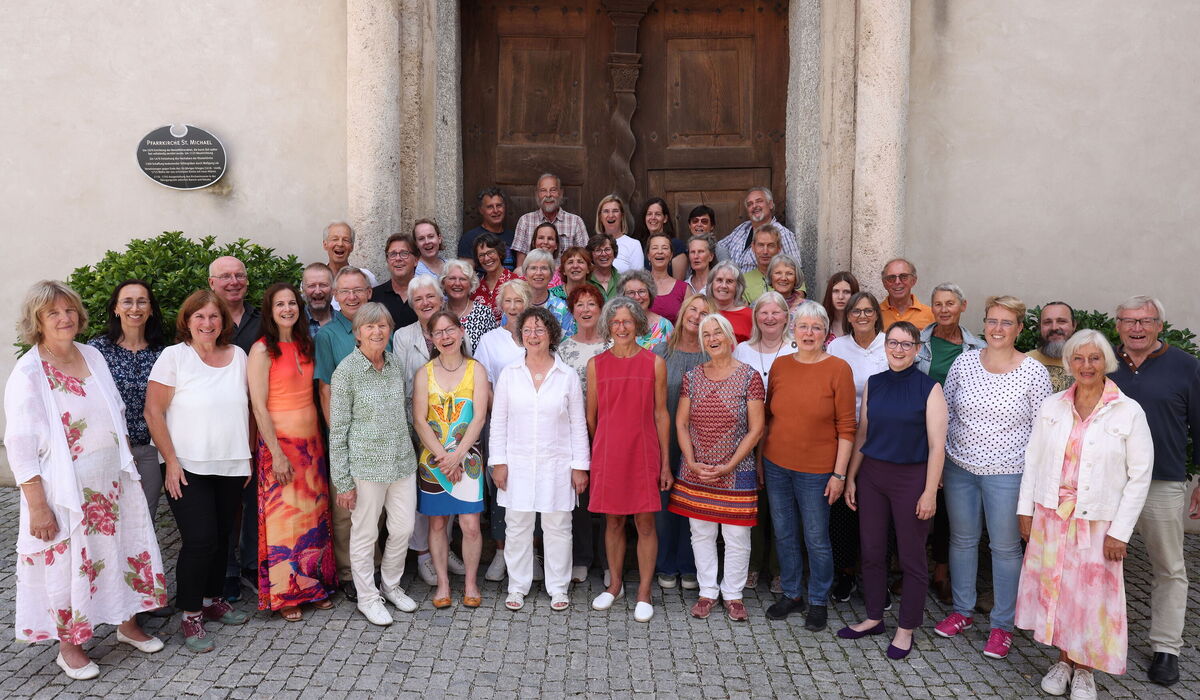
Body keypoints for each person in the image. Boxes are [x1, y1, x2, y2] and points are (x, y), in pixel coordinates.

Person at [7, 281, 166, 678]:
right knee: (72, 566)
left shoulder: (92, 354)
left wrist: (126, 459)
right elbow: (20, 446)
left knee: (121, 550)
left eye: (69, 311)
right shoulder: (29, 372)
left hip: (113, 481)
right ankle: (71, 646)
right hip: (66, 492)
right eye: (53, 313)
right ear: (37, 322)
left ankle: (127, 624)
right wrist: (37, 506)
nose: (64, 318)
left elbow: (113, 409)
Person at [1016, 329, 1153, 697]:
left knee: (1092, 598)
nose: (1086, 365)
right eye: (1078, 358)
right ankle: (1063, 660)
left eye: (1094, 358)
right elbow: (1033, 460)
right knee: (1057, 589)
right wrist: (1024, 510)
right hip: (1051, 516)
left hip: (1098, 521)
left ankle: (1086, 669)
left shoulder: (1128, 410)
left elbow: (1140, 476)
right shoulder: (1053, 405)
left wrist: (1120, 532)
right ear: (1069, 363)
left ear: (1105, 361)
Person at [934, 295, 1052, 660]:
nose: (997, 329)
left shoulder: (1033, 372)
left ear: (1019, 328)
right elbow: (947, 413)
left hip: (1008, 474)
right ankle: (962, 611)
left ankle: (1002, 625)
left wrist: (1033, 487)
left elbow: (1042, 433)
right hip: (960, 468)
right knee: (962, 540)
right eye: (992, 321)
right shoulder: (965, 363)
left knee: (1004, 548)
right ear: (983, 323)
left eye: (1006, 322)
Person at [145, 289, 252, 653]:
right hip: (186, 466)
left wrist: (248, 456)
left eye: (214, 317)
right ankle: (190, 613)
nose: (207, 323)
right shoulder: (174, 356)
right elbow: (153, 413)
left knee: (222, 536)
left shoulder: (238, 355)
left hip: (232, 463)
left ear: (224, 321)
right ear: (187, 321)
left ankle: (212, 598)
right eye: (199, 317)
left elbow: (249, 409)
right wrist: (170, 461)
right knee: (200, 539)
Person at [840, 321, 947, 661]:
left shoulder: (929, 388)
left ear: (918, 349)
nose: (899, 349)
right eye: (893, 343)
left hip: (911, 479)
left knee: (912, 556)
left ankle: (906, 628)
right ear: (885, 347)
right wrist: (851, 477)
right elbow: (862, 434)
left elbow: (937, 446)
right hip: (872, 475)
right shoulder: (874, 383)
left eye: (906, 344)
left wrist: (930, 492)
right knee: (871, 551)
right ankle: (873, 617)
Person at [1109, 295, 1200, 687]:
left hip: (1162, 481)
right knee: (1101, 564)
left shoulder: (1186, 366)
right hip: (1108, 484)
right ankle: (1103, 637)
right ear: (1118, 325)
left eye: (1146, 321)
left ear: (1160, 325)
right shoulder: (1103, 362)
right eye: (1129, 321)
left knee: (1169, 567)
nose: (1137, 328)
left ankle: (1166, 648)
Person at [761, 300, 856, 632]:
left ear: (826, 332)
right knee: (784, 533)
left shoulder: (839, 369)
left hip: (817, 470)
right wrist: (761, 461)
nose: (809, 332)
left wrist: (839, 474)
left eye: (816, 327)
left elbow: (847, 428)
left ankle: (817, 598)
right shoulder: (781, 366)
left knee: (816, 537)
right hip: (776, 464)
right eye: (803, 326)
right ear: (793, 330)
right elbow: (769, 417)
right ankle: (791, 593)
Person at [327, 302, 421, 626]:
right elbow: (337, 431)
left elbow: (406, 413)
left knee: (403, 528)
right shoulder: (346, 373)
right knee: (365, 533)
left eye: (382, 325)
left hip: (401, 463)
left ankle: (391, 585)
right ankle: (367, 597)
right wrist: (343, 482)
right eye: (370, 326)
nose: (377, 332)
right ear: (358, 333)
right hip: (366, 467)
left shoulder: (394, 363)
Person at [246, 283, 336, 622]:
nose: (287, 309)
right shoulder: (261, 350)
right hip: (280, 446)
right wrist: (277, 454)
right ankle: (286, 594)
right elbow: (258, 405)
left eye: (291, 303)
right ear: (269, 311)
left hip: (311, 444)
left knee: (313, 518)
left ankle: (315, 587)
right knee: (285, 520)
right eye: (279, 304)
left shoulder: (305, 344)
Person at [490, 307, 590, 611]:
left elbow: (577, 424)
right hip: (517, 462)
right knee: (517, 525)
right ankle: (517, 585)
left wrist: (580, 467)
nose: (533, 336)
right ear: (521, 336)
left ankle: (558, 587)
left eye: (539, 330)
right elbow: (499, 422)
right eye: (528, 330)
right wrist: (498, 461)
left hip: (556, 463)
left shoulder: (567, 376)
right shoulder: (510, 374)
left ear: (551, 334)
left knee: (558, 525)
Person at [669, 314, 765, 622]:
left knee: (737, 535)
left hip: (737, 470)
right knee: (701, 533)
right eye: (706, 334)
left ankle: (733, 594)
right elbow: (681, 423)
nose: (712, 338)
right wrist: (692, 461)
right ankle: (708, 590)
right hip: (696, 470)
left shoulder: (750, 376)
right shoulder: (693, 376)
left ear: (729, 337)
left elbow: (756, 429)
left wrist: (729, 465)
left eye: (718, 333)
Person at [588, 297, 673, 623]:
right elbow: (592, 417)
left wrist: (665, 462)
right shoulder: (597, 364)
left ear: (638, 324)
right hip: (609, 453)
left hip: (644, 451)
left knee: (645, 522)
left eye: (627, 321)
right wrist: (606, 445)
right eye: (615, 322)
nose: (621, 327)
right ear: (607, 326)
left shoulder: (654, 363)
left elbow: (661, 414)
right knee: (612, 521)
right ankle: (615, 585)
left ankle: (644, 592)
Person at [390, 275, 470, 585]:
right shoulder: (402, 336)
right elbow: (399, 382)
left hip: (452, 428)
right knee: (420, 493)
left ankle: (444, 549)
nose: (426, 303)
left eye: (431, 297)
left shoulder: (453, 328)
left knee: (449, 486)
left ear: (441, 299)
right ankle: (423, 553)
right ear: (412, 304)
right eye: (419, 299)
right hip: (416, 426)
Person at [413, 312, 490, 609]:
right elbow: (419, 421)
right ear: (430, 338)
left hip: (468, 458)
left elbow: (479, 417)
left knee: (470, 525)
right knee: (437, 525)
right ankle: (443, 583)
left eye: (450, 330)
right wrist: (443, 458)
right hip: (433, 461)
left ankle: (471, 583)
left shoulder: (476, 370)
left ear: (460, 332)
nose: (445, 337)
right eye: (438, 333)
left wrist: (457, 456)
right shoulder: (425, 373)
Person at [914, 282, 985, 603]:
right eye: (938, 304)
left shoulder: (976, 348)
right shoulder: (919, 343)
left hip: (958, 437)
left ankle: (941, 573)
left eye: (950, 303)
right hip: (916, 433)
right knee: (911, 501)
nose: (944, 309)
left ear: (963, 306)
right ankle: (909, 570)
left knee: (945, 509)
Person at [314, 266, 382, 601]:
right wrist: (339, 438)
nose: (352, 296)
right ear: (336, 297)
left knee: (374, 506)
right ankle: (348, 572)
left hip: (379, 437)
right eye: (345, 292)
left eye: (358, 290)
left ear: (369, 292)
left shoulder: (383, 328)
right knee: (346, 508)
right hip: (348, 435)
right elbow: (325, 390)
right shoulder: (328, 335)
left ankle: (374, 566)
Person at [651, 293, 717, 593]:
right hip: (665, 439)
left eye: (705, 313)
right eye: (693, 309)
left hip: (701, 442)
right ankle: (665, 564)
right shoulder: (662, 352)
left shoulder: (713, 355)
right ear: (682, 313)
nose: (697, 316)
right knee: (664, 506)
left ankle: (690, 566)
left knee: (693, 506)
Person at [87, 279, 167, 518]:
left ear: (151, 309)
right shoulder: (97, 350)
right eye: (128, 302)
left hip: (150, 450)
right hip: (109, 449)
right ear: (115, 308)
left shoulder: (163, 353)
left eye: (142, 302)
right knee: (109, 517)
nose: (135, 308)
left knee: (145, 516)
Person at [207, 255, 262, 601]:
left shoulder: (261, 318)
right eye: (225, 276)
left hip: (256, 421)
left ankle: (252, 567)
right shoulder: (205, 320)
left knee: (255, 499)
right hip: (218, 426)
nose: (233, 282)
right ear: (212, 283)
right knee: (224, 504)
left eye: (239, 275)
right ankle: (226, 569)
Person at [472, 279, 534, 583]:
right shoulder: (490, 341)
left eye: (519, 301)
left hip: (533, 426)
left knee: (531, 484)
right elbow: (484, 382)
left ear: (527, 304)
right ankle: (500, 550)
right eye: (508, 301)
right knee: (500, 485)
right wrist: (504, 411)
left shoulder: (536, 337)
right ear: (500, 305)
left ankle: (529, 552)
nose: (513, 307)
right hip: (498, 422)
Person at [733, 292, 795, 592]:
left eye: (775, 312)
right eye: (763, 313)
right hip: (747, 435)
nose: (769, 318)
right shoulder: (743, 350)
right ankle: (752, 565)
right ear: (755, 317)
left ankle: (780, 568)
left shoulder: (797, 349)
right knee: (752, 505)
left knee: (782, 507)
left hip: (786, 434)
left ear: (786, 316)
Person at [557, 284, 608, 582]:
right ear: (572, 311)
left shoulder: (613, 345)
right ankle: (581, 557)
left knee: (607, 497)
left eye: (592, 304)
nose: (586, 310)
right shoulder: (563, 348)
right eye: (580, 304)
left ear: (601, 310)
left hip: (608, 430)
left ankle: (607, 561)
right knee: (580, 498)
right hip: (574, 432)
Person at [716, 187, 802, 271]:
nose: (754, 206)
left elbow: (795, 269)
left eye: (759, 201)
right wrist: (729, 269)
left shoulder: (782, 233)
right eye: (750, 204)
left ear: (770, 204)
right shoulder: (743, 228)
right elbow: (721, 246)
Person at [512, 173, 588, 266]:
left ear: (561, 193)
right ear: (537, 194)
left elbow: (584, 260)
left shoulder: (575, 222)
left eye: (553, 190)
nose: (548, 195)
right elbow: (521, 266)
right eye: (543, 190)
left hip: (565, 280)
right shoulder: (525, 221)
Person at [442, 258, 499, 348]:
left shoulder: (484, 313)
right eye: (452, 278)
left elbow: (493, 349)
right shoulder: (438, 311)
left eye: (463, 279)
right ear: (443, 283)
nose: (457, 283)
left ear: (471, 284)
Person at [458, 187, 517, 272]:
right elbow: (466, 274)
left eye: (499, 205)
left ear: (505, 207)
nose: (496, 210)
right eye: (490, 207)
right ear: (481, 210)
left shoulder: (513, 237)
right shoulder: (469, 238)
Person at [371, 232, 420, 330]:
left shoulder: (426, 296)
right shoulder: (374, 297)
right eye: (393, 254)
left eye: (404, 253)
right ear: (387, 260)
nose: (398, 258)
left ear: (416, 260)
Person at [522, 248, 576, 335]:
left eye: (544, 268)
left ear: (551, 274)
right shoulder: (515, 304)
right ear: (525, 273)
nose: (538, 273)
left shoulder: (562, 308)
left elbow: (568, 343)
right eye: (533, 268)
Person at [1026, 301, 1077, 392]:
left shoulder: (1088, 363)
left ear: (1074, 325)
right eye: (1047, 322)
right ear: (1040, 327)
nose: (1054, 328)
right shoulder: (1023, 362)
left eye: (1061, 321)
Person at [470, 232, 520, 321]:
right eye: (481, 255)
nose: (487, 258)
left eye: (490, 252)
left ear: (499, 253)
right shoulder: (475, 288)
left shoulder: (516, 282)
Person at [620, 269, 674, 349]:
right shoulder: (616, 325)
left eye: (642, 291)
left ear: (650, 293)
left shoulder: (665, 326)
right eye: (631, 293)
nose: (637, 297)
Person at [879, 258, 934, 330]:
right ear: (884, 283)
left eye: (904, 277)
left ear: (913, 281)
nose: (897, 282)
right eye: (891, 278)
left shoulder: (931, 315)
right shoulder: (875, 314)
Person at [595, 193, 643, 273]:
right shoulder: (593, 244)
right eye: (606, 211)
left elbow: (638, 279)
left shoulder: (634, 245)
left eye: (615, 211)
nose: (611, 215)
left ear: (622, 216)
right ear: (600, 217)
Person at [646, 232, 688, 323]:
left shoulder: (684, 288)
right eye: (655, 248)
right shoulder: (639, 285)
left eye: (665, 248)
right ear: (648, 255)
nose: (660, 252)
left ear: (671, 255)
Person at [323, 221, 378, 288]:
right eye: (335, 239)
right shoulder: (316, 277)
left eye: (346, 240)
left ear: (352, 247)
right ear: (325, 245)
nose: (340, 244)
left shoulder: (366, 276)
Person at [634, 197, 682, 273]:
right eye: (649, 214)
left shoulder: (676, 245)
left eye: (657, 214)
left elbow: (680, 283)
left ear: (665, 218)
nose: (653, 217)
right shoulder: (639, 245)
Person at [709, 261, 752, 343]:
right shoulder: (703, 312)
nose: (723, 286)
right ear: (711, 284)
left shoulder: (749, 315)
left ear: (738, 287)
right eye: (719, 280)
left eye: (729, 281)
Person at [741, 225, 783, 304]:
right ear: (753, 247)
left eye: (771, 246)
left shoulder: (790, 275)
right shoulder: (743, 281)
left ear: (779, 248)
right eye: (760, 245)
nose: (765, 251)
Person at [672, 206, 717, 279]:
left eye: (704, 221)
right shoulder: (684, 250)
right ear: (689, 225)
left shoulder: (719, 250)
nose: (699, 224)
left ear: (712, 226)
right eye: (695, 221)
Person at [821, 271, 860, 343]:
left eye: (846, 292)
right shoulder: (820, 322)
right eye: (835, 291)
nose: (840, 297)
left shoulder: (861, 324)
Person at [301, 262, 335, 335]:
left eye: (323, 285)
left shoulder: (345, 323)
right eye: (311, 285)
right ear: (303, 290)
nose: (317, 291)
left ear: (333, 289)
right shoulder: (295, 323)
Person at [586, 233, 621, 300]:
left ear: (614, 252)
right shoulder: (585, 280)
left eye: (607, 249)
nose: (604, 254)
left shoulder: (622, 281)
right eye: (598, 250)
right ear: (591, 254)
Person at [530, 222, 565, 288]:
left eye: (550, 239)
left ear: (556, 245)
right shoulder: (521, 272)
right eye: (541, 238)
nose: (545, 242)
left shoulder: (563, 273)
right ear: (533, 243)